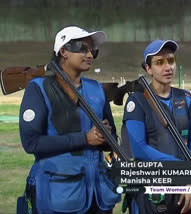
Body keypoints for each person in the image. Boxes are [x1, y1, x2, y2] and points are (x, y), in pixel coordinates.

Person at [18, 26, 120, 214]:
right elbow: (31, 143)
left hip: (99, 195)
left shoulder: (97, 89)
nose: (89, 54)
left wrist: (106, 137)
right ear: (63, 51)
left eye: (92, 50)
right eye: (83, 48)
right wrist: (85, 139)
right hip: (58, 194)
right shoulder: (39, 88)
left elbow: (113, 138)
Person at [122, 40, 191, 214]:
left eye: (171, 61)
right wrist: (180, 166)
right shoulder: (137, 101)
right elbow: (139, 149)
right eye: (159, 62)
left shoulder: (186, 98)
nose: (168, 67)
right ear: (148, 69)